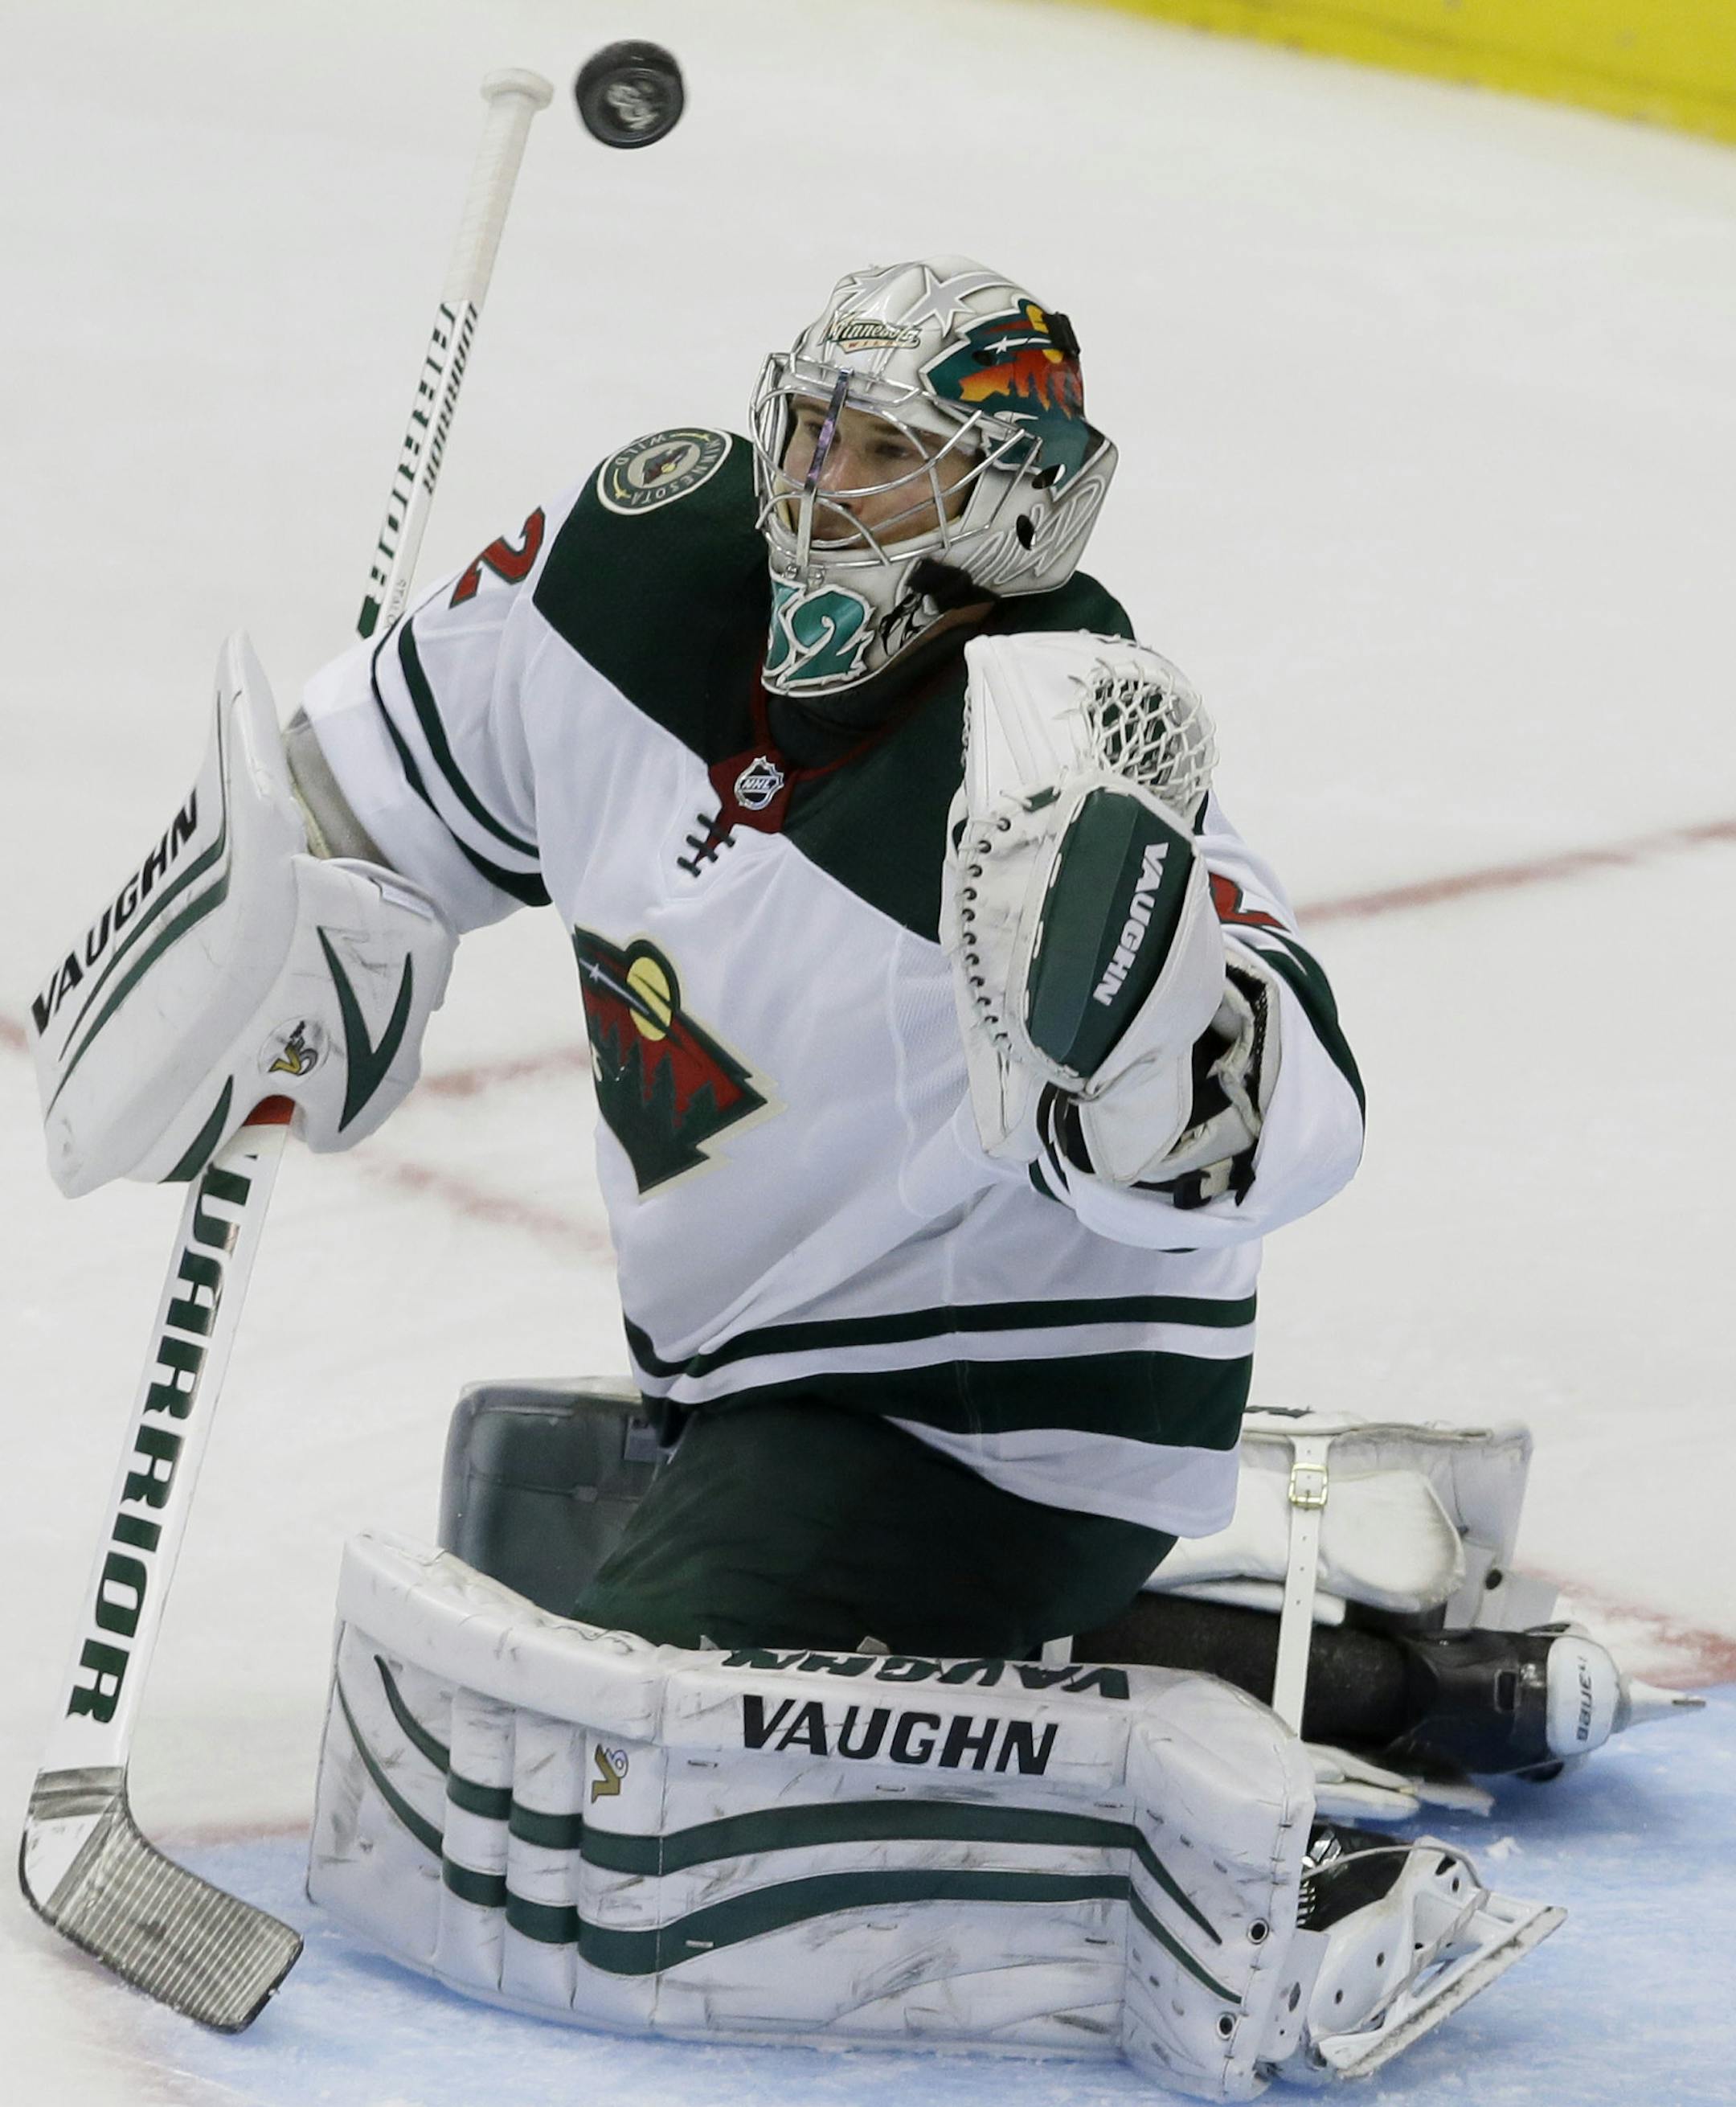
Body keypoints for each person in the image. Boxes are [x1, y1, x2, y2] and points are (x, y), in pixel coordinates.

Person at [285, 254, 1367, 1658]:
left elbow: (1297, 1105)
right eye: (809, 428)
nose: (814, 482)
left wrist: (1153, 1055)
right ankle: (1328, 1671)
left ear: (1014, 506)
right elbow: (364, 792)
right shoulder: (643, 567)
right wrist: (294, 923)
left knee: (595, 1739)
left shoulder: (1061, 760)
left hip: (991, 1429)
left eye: (887, 454)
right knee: (524, 1518)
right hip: (748, 1379)